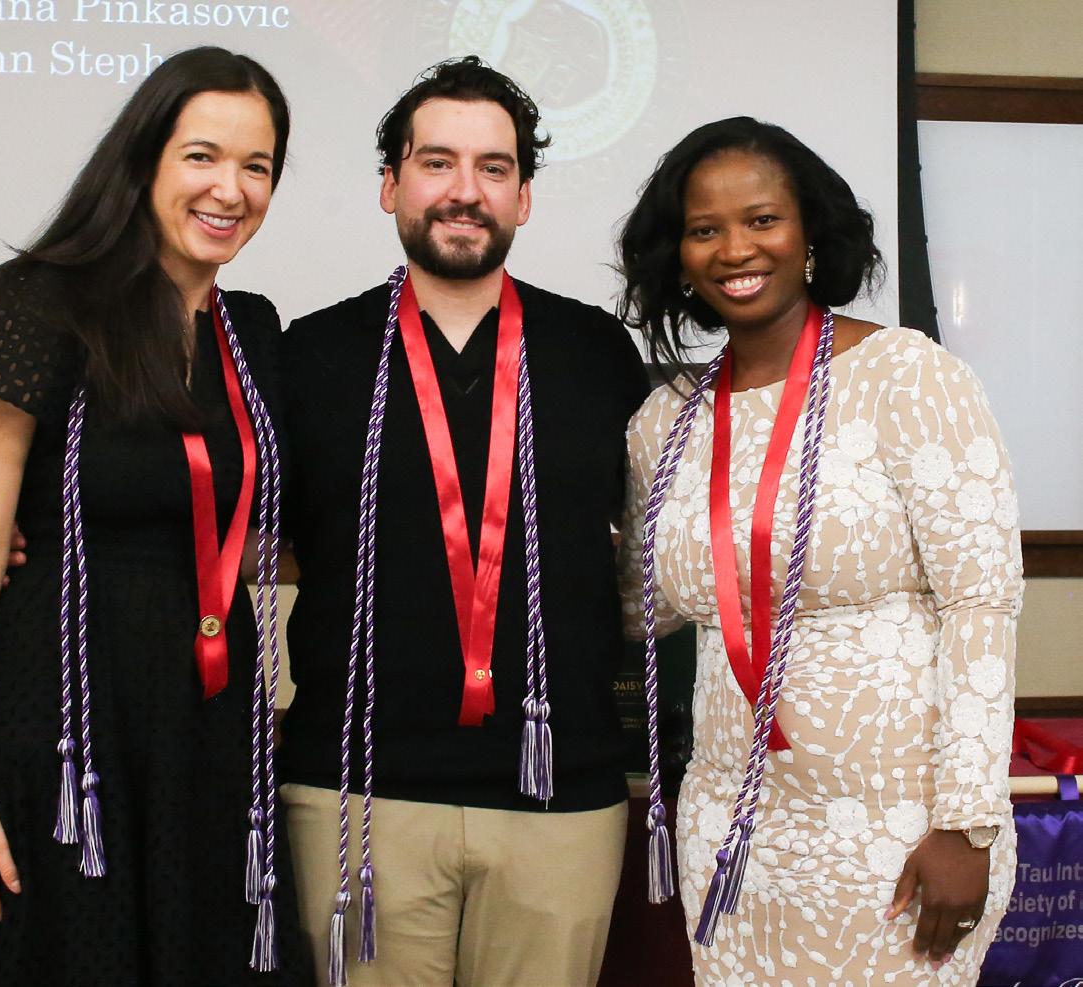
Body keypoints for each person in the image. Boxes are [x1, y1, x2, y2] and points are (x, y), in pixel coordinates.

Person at [0, 47, 306, 986]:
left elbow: (257, 515)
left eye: (257, 166)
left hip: (208, 718)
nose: (231, 189)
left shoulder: (253, 330)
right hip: (64, 718)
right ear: (143, 161)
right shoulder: (42, 303)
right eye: (201, 156)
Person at [616, 116, 1021, 984]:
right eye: (704, 229)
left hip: (900, 832)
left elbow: (981, 602)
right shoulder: (665, 422)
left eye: (762, 219)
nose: (736, 248)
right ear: (678, 256)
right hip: (732, 832)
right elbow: (643, 607)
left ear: (810, 236)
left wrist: (967, 823)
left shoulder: (907, 376)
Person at [277, 57, 651, 987]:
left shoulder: (596, 351)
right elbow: (233, 525)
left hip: (558, 789)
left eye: (493, 167)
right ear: (390, 185)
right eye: (436, 162)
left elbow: (659, 538)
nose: (464, 190)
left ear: (523, 197)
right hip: (357, 789)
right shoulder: (310, 354)